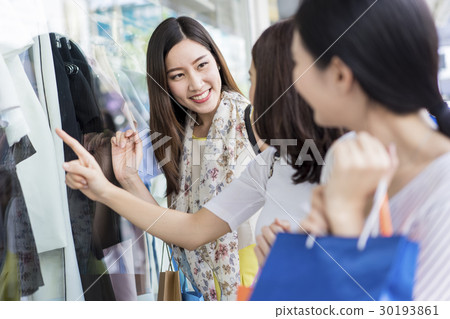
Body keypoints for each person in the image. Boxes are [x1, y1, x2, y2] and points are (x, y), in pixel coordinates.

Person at [56, 18, 343, 300]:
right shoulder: (180, 136)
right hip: (210, 289)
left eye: (202, 65)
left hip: (252, 284)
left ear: (217, 61)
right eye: (177, 75)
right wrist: (126, 178)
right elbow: (185, 230)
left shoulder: (257, 126)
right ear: (164, 84)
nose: (195, 84)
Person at [256, 0, 450, 301]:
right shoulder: (344, 156)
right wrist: (300, 263)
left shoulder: (442, 191)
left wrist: (345, 221)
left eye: (297, 63)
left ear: (339, 75)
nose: (292, 80)